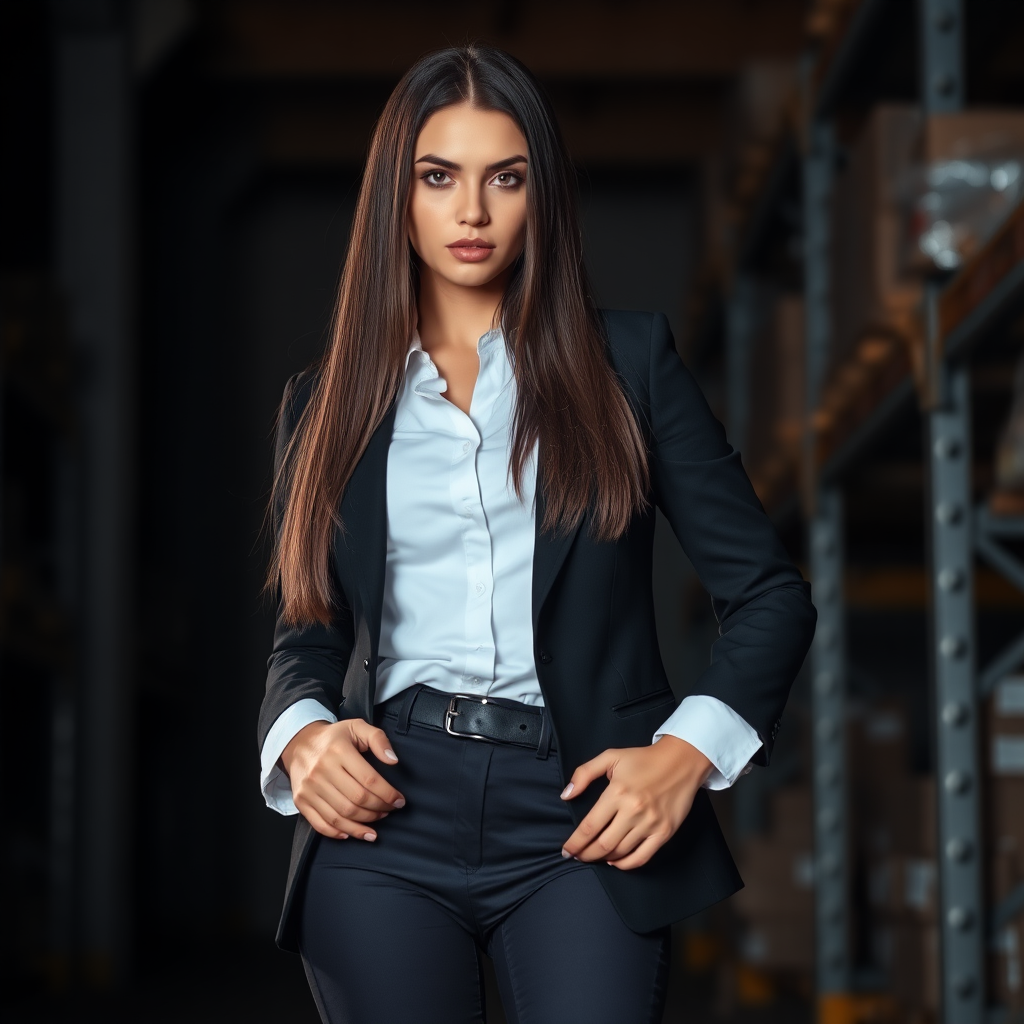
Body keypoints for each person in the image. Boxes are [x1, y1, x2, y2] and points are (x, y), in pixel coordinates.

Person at [258, 44, 816, 1024]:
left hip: (580, 811)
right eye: (439, 177)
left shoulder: (629, 367)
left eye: (504, 178)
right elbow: (308, 631)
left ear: (539, 196)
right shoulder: (324, 405)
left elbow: (769, 593)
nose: (471, 212)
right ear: (399, 194)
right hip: (386, 814)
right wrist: (302, 739)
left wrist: (686, 752)